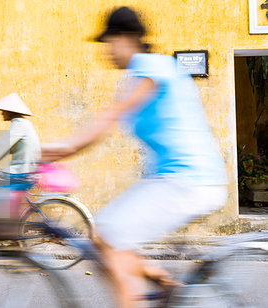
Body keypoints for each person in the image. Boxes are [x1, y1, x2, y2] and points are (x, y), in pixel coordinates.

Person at [41, 7, 228, 308]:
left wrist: (59, 149)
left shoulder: (151, 67)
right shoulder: (140, 74)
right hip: (175, 179)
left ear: (127, 38)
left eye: (108, 42)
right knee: (104, 239)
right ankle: (165, 284)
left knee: (109, 234)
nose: (106, 51)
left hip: (188, 181)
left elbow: (108, 120)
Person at [0, 93, 41, 194]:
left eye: (4, 111)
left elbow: (2, 145)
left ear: (10, 111)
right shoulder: (24, 123)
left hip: (21, 172)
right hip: (27, 171)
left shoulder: (19, 123)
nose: (2, 113)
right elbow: (6, 149)